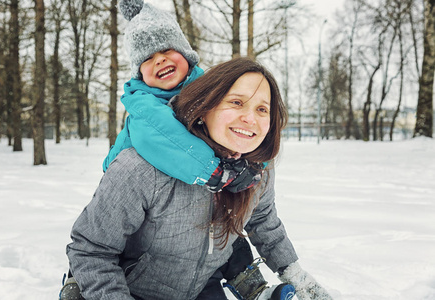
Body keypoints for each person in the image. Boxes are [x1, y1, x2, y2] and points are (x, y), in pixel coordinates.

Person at [63, 57, 333, 300]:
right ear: (205, 108)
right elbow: (91, 250)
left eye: (262, 109)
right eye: (236, 102)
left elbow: (263, 221)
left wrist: (294, 273)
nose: (250, 118)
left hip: (203, 288)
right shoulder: (141, 168)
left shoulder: (258, 170)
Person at [102, 0, 261, 193]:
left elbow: (248, 119)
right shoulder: (143, 105)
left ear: (186, 54)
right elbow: (161, 133)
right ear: (139, 73)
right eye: (147, 58)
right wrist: (214, 172)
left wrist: (257, 159)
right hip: (128, 187)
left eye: (167, 49)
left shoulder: (210, 89)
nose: (159, 59)